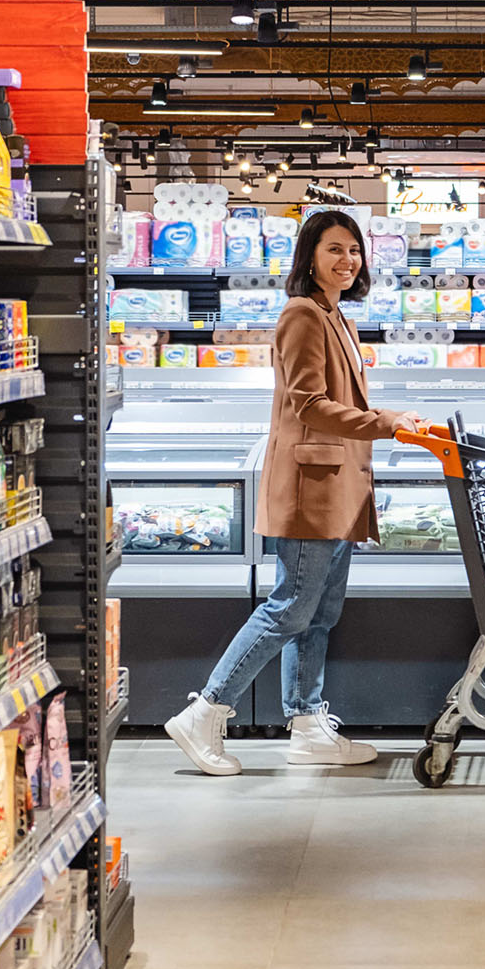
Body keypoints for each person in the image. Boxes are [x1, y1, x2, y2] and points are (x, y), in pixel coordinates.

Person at [165, 209, 421, 776]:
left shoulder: (338, 316)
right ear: (309, 257)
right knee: (289, 609)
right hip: (311, 485)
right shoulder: (303, 314)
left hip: (339, 484)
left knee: (320, 613)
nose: (348, 260)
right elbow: (309, 406)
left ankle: (306, 725)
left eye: (354, 250)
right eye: (334, 249)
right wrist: (386, 422)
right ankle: (204, 712)